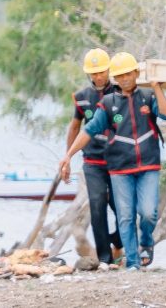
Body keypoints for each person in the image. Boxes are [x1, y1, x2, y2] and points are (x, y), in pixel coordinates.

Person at [61, 52, 166, 270]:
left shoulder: (146, 97)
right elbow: (86, 129)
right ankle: (126, 261)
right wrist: (68, 155)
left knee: (148, 212)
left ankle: (144, 243)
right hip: (114, 166)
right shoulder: (103, 101)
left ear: (135, 74)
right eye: (119, 75)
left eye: (127, 74)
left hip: (145, 164)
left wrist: (157, 87)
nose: (124, 79)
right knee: (117, 213)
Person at [59, 48, 123, 270]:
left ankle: (119, 241)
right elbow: (75, 126)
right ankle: (105, 258)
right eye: (94, 73)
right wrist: (67, 158)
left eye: (102, 72)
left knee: (121, 207)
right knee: (97, 206)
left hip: (118, 160)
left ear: (109, 70)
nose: (98, 76)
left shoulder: (121, 92)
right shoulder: (82, 98)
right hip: (93, 161)